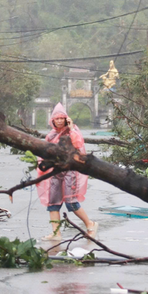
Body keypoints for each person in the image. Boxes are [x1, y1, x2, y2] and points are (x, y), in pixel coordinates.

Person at [36, 103, 98, 241]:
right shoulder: (51, 136)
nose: (59, 121)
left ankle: (90, 224)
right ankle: (56, 233)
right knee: (53, 203)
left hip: (70, 171)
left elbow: (78, 144)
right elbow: (44, 153)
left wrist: (71, 128)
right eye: (56, 118)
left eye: (61, 118)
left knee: (71, 202)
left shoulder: (73, 131)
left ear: (66, 119)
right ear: (52, 120)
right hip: (55, 172)